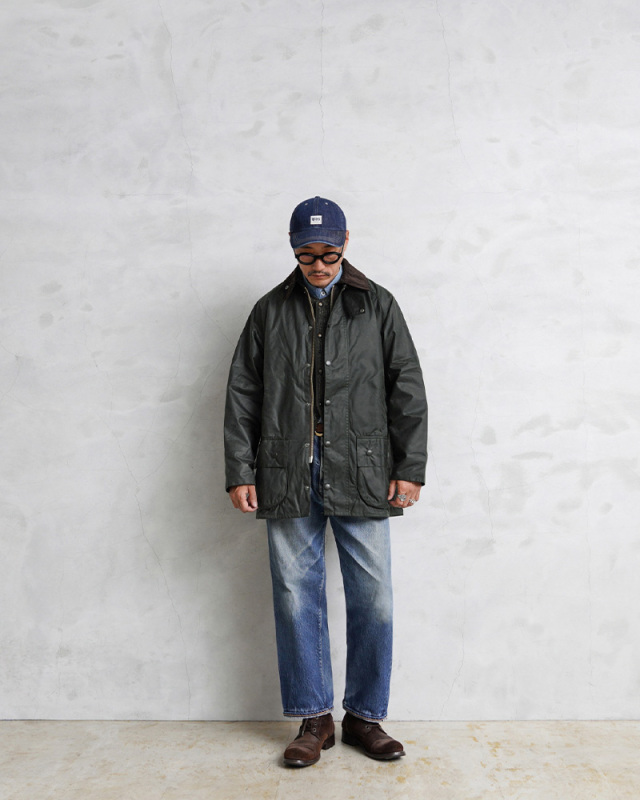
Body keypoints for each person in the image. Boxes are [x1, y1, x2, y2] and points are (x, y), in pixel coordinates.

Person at [224, 196, 428, 767]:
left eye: (328, 254)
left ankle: (365, 717)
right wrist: (240, 470)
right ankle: (315, 720)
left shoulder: (377, 305)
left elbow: (407, 388)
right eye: (306, 254)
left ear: (346, 244)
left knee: (374, 599)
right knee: (296, 598)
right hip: (287, 470)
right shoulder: (270, 310)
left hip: (363, 470)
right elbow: (243, 392)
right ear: (293, 249)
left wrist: (409, 467)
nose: (318, 265)